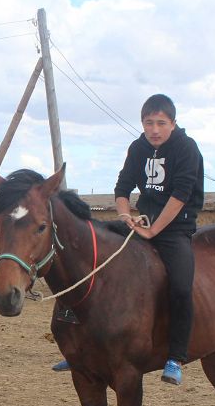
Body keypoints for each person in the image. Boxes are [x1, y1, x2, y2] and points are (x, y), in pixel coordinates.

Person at [53, 94, 204, 385]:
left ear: (173, 123)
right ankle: (77, 350)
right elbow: (123, 186)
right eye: (149, 123)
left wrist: (153, 230)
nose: (155, 129)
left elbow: (180, 196)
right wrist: (124, 217)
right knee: (88, 257)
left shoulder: (186, 148)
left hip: (174, 230)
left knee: (182, 286)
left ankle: (175, 356)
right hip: (141, 224)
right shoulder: (139, 148)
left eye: (161, 123)